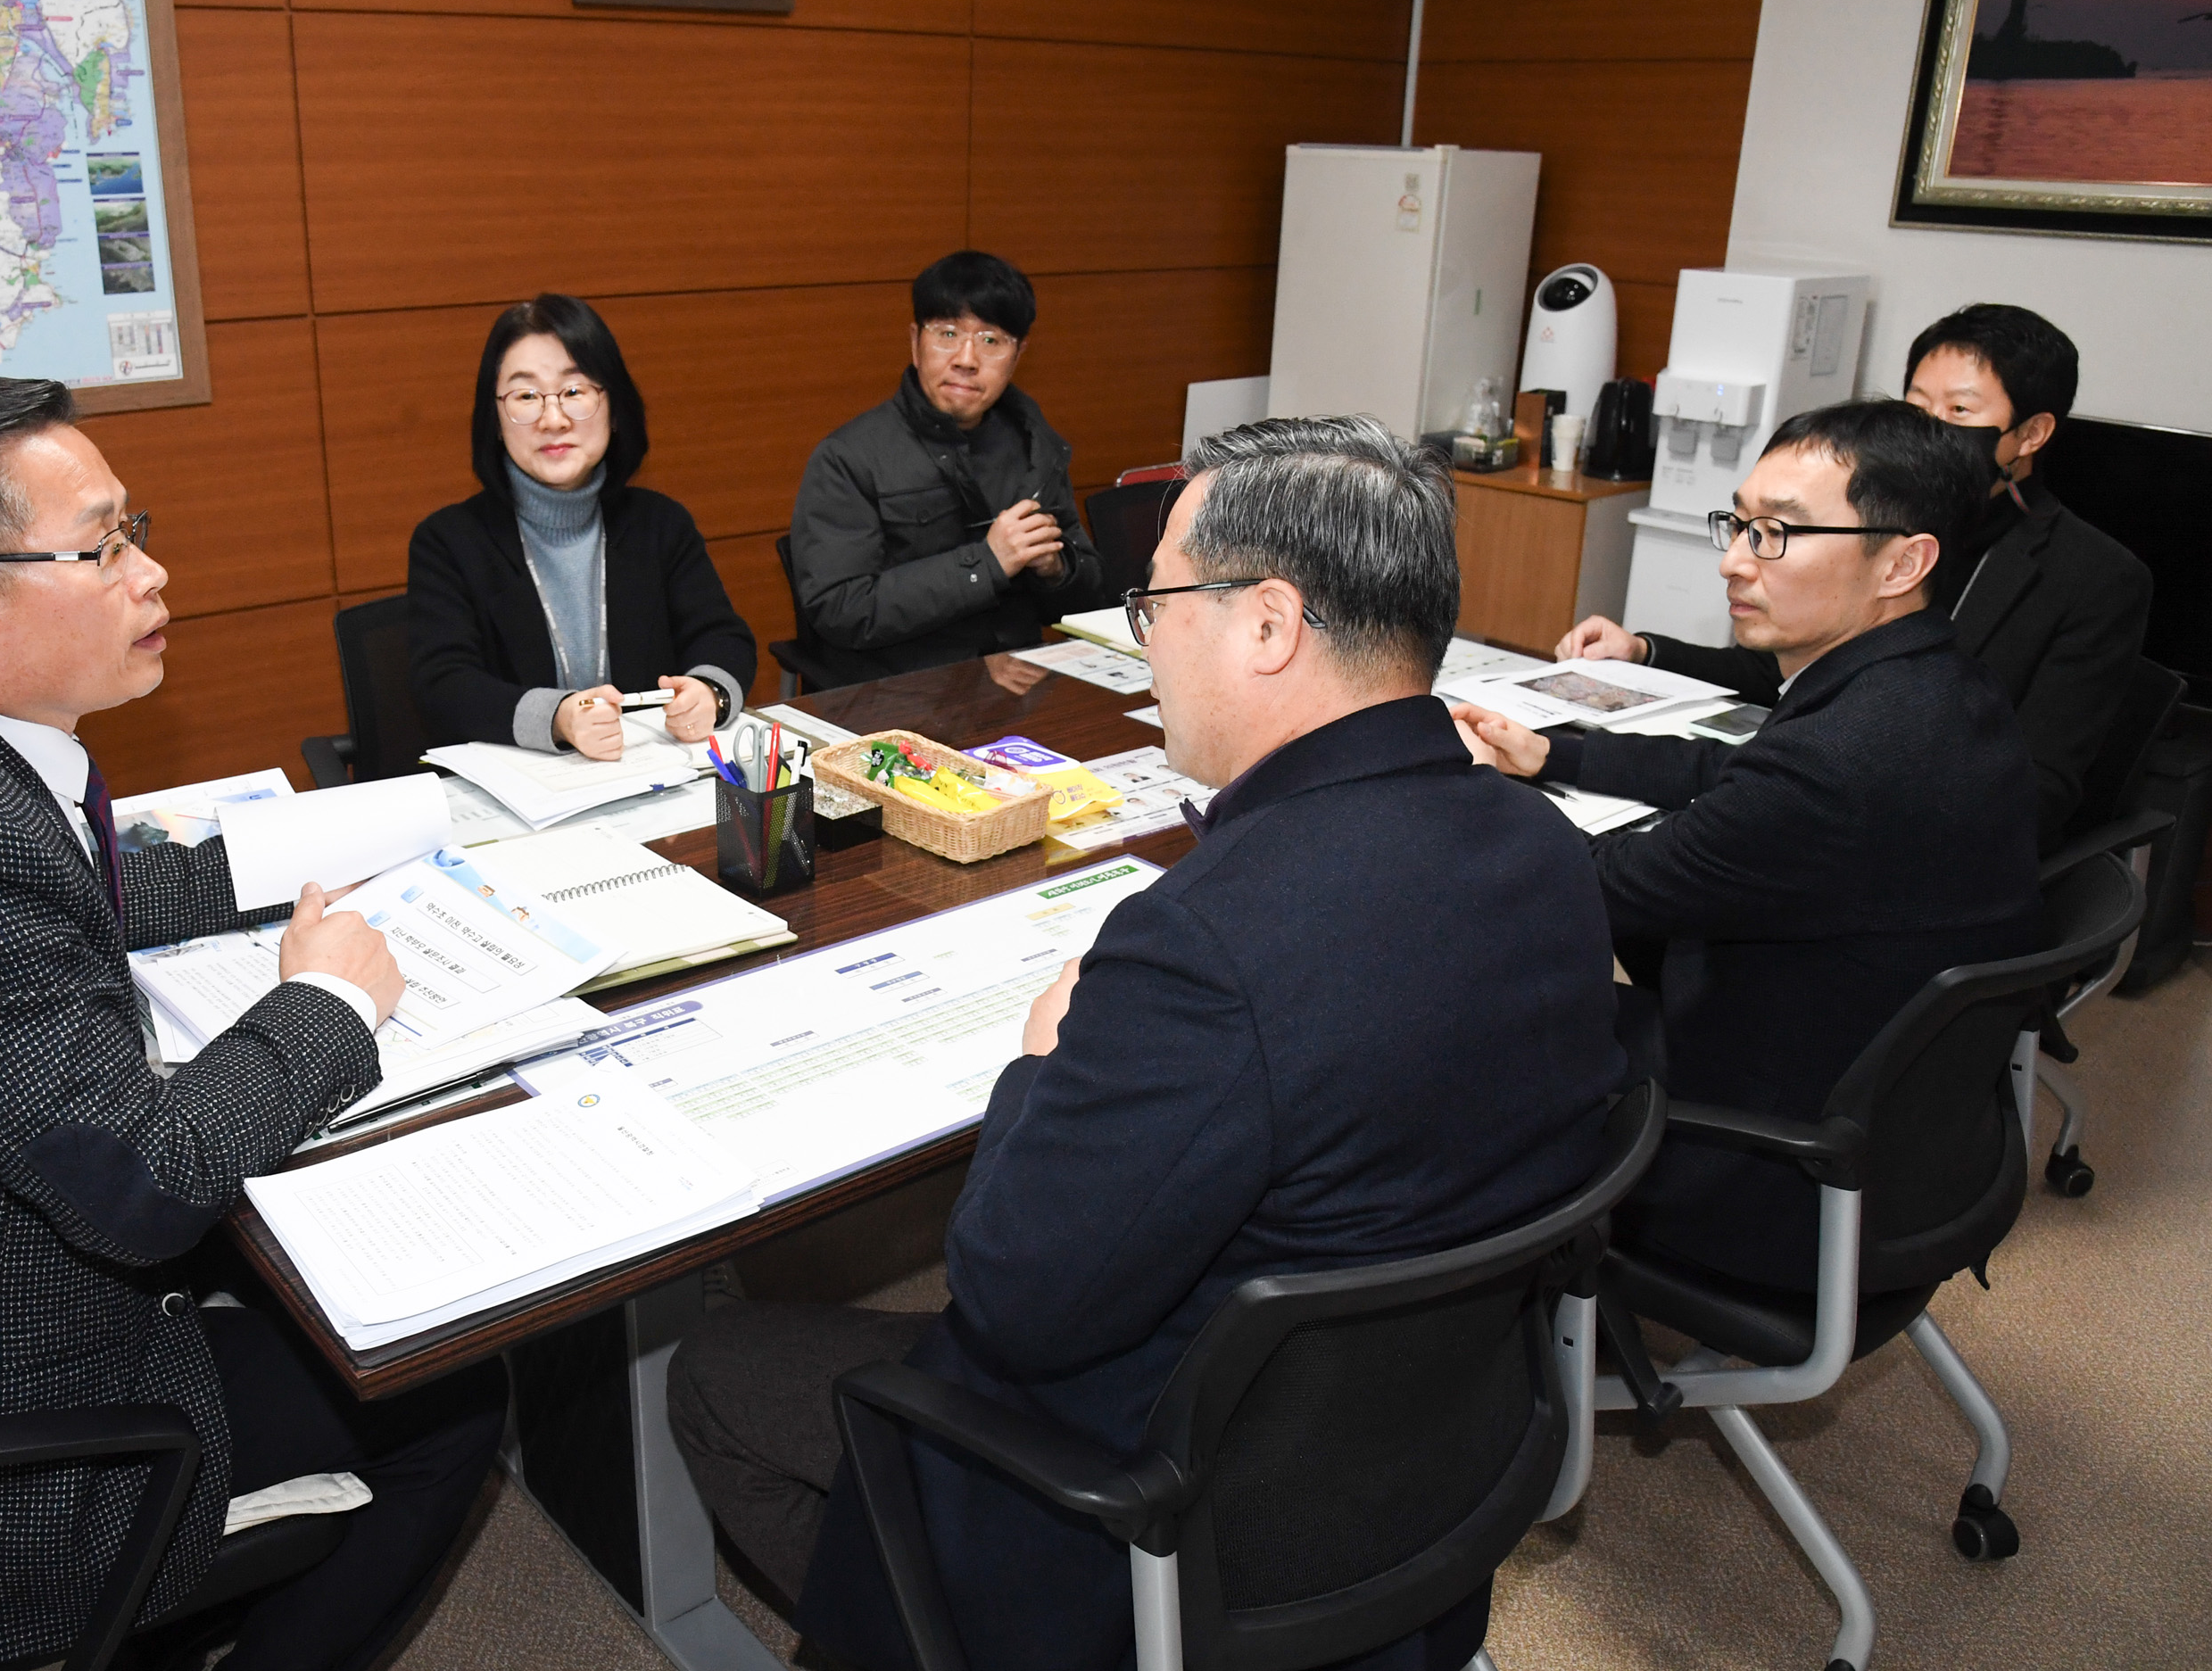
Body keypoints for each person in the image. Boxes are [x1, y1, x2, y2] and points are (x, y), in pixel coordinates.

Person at [671, 416, 1628, 1671]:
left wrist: (1042, 1062)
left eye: (1159, 599)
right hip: (1434, 1475)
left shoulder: (1208, 947)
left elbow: (1011, 1299)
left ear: (1270, 624)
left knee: (720, 1372)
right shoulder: (1549, 854)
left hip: (1184, 1522)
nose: (1149, 635)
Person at [0, 376, 507, 1671]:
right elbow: (141, 1184)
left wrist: (263, 873)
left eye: (136, 529)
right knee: (451, 1391)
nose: (153, 574)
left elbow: (59, 874)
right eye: (105, 545)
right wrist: (329, 1000)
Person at [1454, 400, 2044, 1292]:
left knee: (1465, 1023)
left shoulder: (1843, 759)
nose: (1734, 559)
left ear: (1904, 560)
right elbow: (1730, 773)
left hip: (1768, 1172)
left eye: (1778, 534)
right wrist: (1555, 752)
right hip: (1900, 1135)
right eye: (1741, 523)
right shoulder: (1932, 684)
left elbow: (1582, 888)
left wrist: (1464, 792)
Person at [1556, 304, 2150, 842]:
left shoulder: (2095, 577)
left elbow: (2039, 790)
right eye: (1917, 406)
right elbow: (1775, 669)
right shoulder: (1865, 522)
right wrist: (1644, 650)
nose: (1932, 429)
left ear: (2032, 433)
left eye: (1960, 411)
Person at [408, 294, 755, 759]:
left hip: (648, 782)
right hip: (520, 800)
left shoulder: (660, 524)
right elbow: (444, 685)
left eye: (574, 392)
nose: (554, 419)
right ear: (495, 418)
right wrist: (559, 717)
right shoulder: (447, 542)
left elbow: (723, 637)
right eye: (526, 396)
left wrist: (709, 691)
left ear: (613, 408)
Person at [788, 250, 1111, 682]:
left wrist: (1056, 570)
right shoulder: (849, 457)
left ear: (1018, 356)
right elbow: (841, 610)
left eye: (991, 340)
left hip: (1018, 690)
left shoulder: (1035, 445)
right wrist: (987, 563)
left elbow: (1085, 601)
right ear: (915, 343)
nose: (966, 358)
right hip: (898, 690)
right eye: (947, 333)